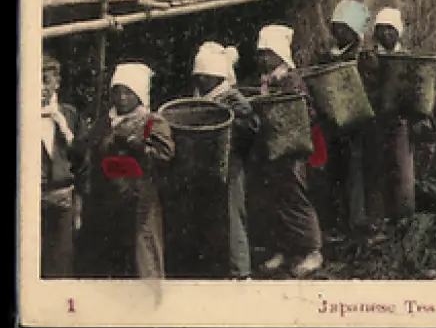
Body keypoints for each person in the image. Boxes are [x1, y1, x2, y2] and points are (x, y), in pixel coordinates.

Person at [167, 42, 259, 280]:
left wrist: (228, 127)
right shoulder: (198, 98)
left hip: (230, 163)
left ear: (218, 76)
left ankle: (240, 270)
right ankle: (212, 265)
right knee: (208, 214)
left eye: (206, 76)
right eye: (199, 76)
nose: (201, 80)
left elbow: (251, 126)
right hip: (203, 163)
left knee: (232, 213)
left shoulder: (231, 98)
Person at [78, 62, 175, 280]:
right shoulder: (105, 121)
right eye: (117, 92)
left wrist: (135, 145)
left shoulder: (151, 121)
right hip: (109, 197)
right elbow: (92, 152)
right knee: (113, 259)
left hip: (140, 198)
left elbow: (165, 155)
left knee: (144, 255)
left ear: (139, 95)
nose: (122, 98)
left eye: (128, 92)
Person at [251, 24, 324, 278]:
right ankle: (284, 248)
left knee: (296, 197)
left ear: (279, 55)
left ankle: (312, 250)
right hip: (274, 149)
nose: (262, 59)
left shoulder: (291, 81)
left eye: (267, 53)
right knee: (277, 198)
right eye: (260, 54)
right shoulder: (267, 81)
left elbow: (308, 112)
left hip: (292, 150)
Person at [314, 0, 376, 243]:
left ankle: (358, 221)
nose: (339, 32)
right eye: (336, 27)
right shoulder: (328, 56)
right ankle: (338, 221)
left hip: (357, 123)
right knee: (336, 170)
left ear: (354, 31)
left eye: (345, 28)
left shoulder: (363, 57)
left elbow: (370, 87)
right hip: (334, 124)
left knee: (356, 171)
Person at [371, 7, 435, 220]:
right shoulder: (371, 57)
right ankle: (381, 214)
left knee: (402, 165)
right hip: (375, 119)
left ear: (398, 31)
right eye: (381, 29)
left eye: (390, 29)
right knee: (378, 166)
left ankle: (404, 213)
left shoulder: (407, 58)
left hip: (401, 120)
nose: (385, 33)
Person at [40, 54, 88, 279]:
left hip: (62, 203)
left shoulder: (69, 115)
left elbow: (83, 162)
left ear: (56, 82)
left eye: (45, 80)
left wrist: (78, 206)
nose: (40, 88)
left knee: (60, 265)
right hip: (29, 204)